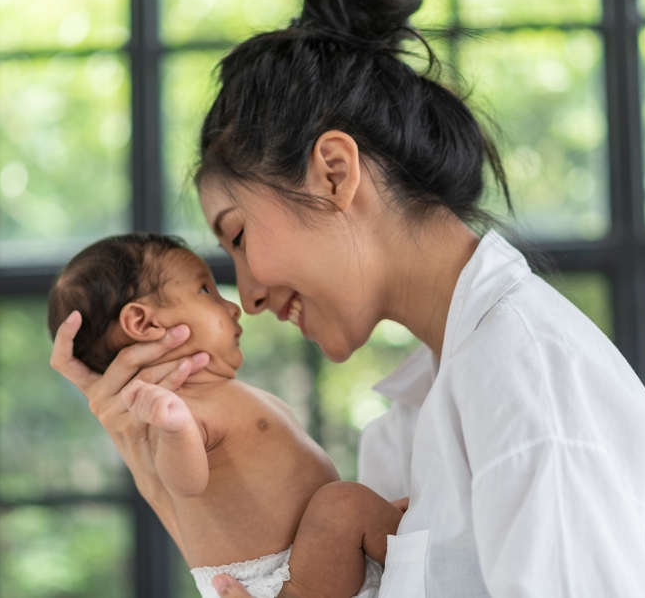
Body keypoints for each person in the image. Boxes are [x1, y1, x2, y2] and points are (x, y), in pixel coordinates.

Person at [52, 0, 645, 597]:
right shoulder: (411, 422)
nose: (247, 297)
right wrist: (169, 492)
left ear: (335, 173)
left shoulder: (525, 381)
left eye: (240, 237)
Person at [47, 232, 400, 598]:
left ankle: (389, 533)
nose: (233, 307)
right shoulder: (175, 411)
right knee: (345, 505)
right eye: (206, 290)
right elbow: (186, 483)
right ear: (144, 323)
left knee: (352, 508)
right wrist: (176, 428)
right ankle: (406, 539)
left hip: (316, 557)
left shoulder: (218, 392)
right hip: (284, 581)